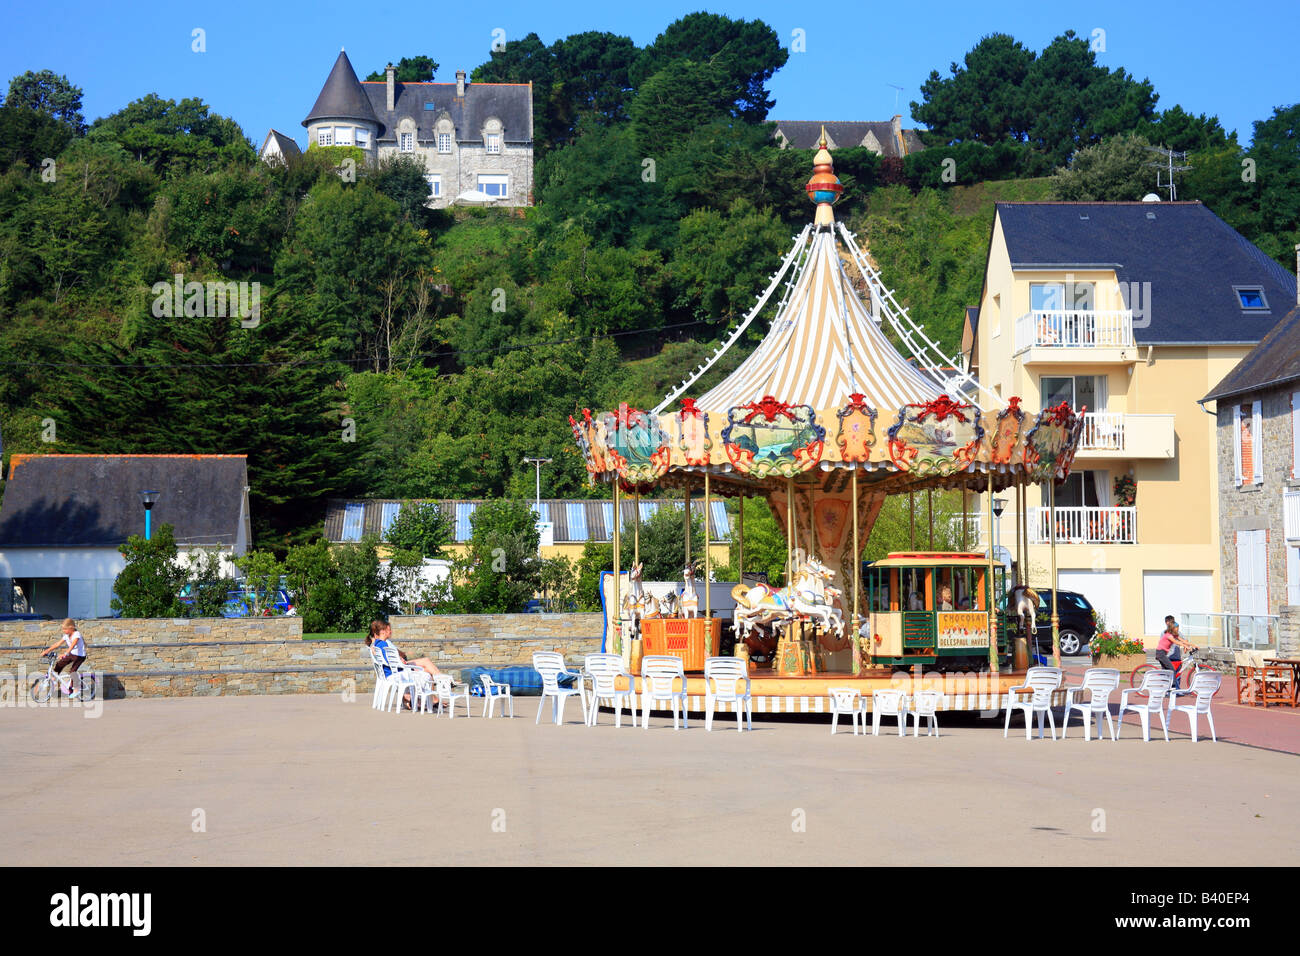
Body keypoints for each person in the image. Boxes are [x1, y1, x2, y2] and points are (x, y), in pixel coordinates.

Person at [365, 620, 441, 708]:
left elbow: (388, 660)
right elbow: (391, 662)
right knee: (427, 675)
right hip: (396, 673)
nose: (391, 632)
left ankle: (417, 700)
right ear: (382, 631)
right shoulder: (383, 644)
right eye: (389, 630)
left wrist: (399, 660)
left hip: (389, 673)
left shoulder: (377, 644)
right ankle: (425, 701)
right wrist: (401, 662)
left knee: (424, 670)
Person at [41, 619, 87, 698]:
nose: (64, 631)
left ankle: (76, 689)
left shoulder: (77, 634)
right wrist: (47, 651)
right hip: (72, 654)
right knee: (59, 664)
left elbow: (73, 645)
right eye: (63, 629)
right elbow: (57, 644)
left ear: (71, 628)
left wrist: (65, 653)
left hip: (80, 656)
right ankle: (53, 679)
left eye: (65, 629)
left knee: (72, 671)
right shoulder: (66, 636)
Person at [1157, 615, 1196, 685]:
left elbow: (1183, 640)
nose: (1177, 629)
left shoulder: (1176, 633)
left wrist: (1193, 645)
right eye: (1171, 623)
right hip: (1165, 655)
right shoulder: (1166, 634)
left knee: (1177, 671)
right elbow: (1176, 642)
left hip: (1175, 655)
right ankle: (1172, 687)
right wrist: (1185, 646)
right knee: (1170, 670)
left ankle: (1175, 689)